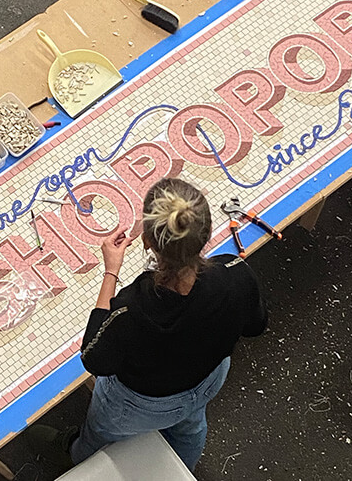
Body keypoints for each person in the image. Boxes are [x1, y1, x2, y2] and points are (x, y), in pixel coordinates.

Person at [26, 177, 268, 473]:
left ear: (147, 243)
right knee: (190, 425)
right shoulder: (234, 271)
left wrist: (111, 271)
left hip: (144, 404)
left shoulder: (133, 307)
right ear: (205, 235)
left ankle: (78, 457)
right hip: (206, 381)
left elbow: (94, 356)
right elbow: (256, 326)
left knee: (99, 435)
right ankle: (182, 467)